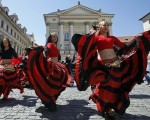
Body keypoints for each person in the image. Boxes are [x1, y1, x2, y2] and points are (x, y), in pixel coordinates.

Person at [71, 20, 149, 118]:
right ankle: (104, 108)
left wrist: (136, 40)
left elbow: (124, 48)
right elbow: (88, 44)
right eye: (104, 25)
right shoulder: (96, 37)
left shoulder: (112, 38)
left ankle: (112, 107)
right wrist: (91, 32)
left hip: (116, 63)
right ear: (99, 27)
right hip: (105, 64)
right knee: (107, 86)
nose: (106, 27)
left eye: (107, 25)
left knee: (116, 87)